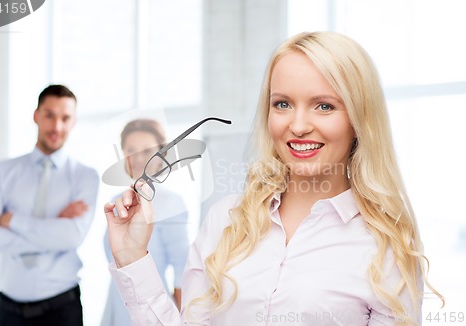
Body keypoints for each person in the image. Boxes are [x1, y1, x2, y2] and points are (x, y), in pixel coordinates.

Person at [104, 32, 444, 325]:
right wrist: (133, 256)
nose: (297, 125)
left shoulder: (385, 244)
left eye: (324, 106)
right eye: (282, 104)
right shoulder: (226, 221)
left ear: (359, 119)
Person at [0, 84, 99, 326]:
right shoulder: (3, 171)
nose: (57, 127)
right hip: (10, 309)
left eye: (65, 118)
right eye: (49, 115)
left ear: (74, 121)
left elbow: (71, 238)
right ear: (36, 115)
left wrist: (13, 222)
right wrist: (54, 230)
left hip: (62, 308)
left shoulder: (85, 176)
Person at [101, 119, 190, 326]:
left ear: (162, 156)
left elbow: (181, 272)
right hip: (116, 308)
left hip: (151, 312)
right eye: (130, 150)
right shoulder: (117, 201)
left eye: (147, 151)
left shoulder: (170, 203)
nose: (138, 158)